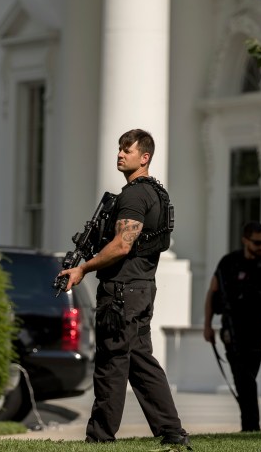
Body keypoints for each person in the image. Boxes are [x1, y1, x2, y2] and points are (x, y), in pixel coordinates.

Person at [59, 129, 190, 446]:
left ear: (144, 157)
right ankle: (172, 432)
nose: (120, 154)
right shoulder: (157, 193)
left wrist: (83, 268)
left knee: (111, 363)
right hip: (141, 288)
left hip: (122, 291)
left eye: (126, 150)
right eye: (119, 149)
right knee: (140, 361)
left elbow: (121, 245)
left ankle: (100, 437)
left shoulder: (133, 195)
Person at [203, 221, 261, 432]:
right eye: (258, 242)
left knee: (246, 379)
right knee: (244, 379)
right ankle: (251, 427)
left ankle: (250, 427)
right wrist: (207, 325)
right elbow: (212, 294)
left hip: (258, 329)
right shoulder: (229, 262)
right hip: (231, 330)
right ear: (245, 240)